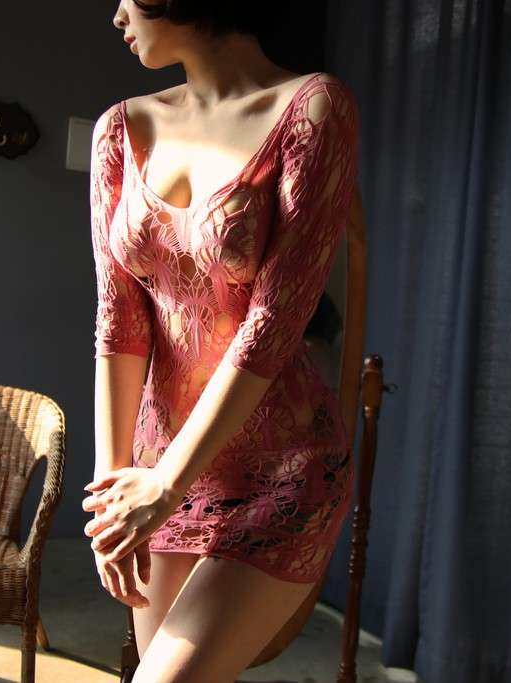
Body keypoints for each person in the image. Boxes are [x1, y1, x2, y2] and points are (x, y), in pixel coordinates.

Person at [81, 1, 359, 680]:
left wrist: (164, 485)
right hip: (155, 468)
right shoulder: (120, 129)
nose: (116, 15)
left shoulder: (313, 108)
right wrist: (114, 493)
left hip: (281, 469)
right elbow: (119, 319)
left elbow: (273, 325)